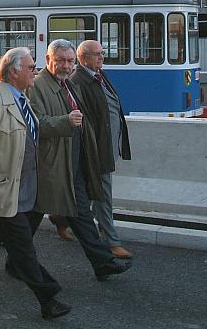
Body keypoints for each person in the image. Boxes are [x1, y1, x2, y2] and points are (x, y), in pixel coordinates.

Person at [0, 47, 71, 320]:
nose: (36, 71)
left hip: (24, 187)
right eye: (31, 67)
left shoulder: (22, 99)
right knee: (22, 246)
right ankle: (48, 297)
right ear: (13, 72)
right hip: (1, 188)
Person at [26, 39, 132, 280]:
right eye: (60, 61)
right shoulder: (37, 86)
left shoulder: (67, 83)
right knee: (35, 213)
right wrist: (65, 122)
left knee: (80, 212)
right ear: (48, 60)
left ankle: (102, 262)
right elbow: (35, 123)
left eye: (70, 61)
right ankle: (13, 258)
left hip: (73, 159)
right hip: (52, 163)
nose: (65, 66)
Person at [71, 40, 133, 259]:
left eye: (102, 53)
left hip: (108, 145)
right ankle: (111, 240)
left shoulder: (99, 74)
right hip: (96, 149)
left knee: (88, 195)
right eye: (97, 54)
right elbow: (85, 120)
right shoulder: (78, 80)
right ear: (84, 57)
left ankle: (62, 218)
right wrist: (93, 150)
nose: (102, 57)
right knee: (103, 194)